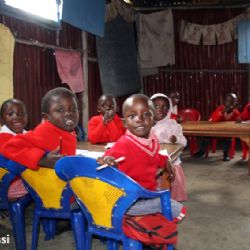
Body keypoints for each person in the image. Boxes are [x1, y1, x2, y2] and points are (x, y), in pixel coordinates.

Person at [97, 94, 186, 221]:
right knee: (170, 205)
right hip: (127, 200)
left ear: (154, 119)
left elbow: (153, 156)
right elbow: (106, 159)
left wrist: (166, 161)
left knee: (163, 199)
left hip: (144, 193)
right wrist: (107, 161)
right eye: (132, 116)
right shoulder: (124, 144)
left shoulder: (152, 140)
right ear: (125, 123)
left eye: (146, 114)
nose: (139, 119)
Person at [1, 87, 79, 169]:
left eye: (73, 109)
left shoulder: (68, 131)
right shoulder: (44, 131)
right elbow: (9, 147)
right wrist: (42, 159)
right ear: (46, 117)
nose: (68, 113)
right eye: (60, 110)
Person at [151, 93, 188, 202]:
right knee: (154, 188)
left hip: (171, 162)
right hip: (152, 162)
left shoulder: (172, 124)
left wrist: (176, 139)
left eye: (165, 107)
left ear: (169, 109)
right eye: (156, 106)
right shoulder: (145, 123)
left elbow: (184, 141)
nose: (160, 109)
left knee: (172, 187)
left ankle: (171, 203)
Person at [0, 99, 29, 229]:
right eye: (10, 114)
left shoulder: (25, 134)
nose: (17, 117)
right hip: (8, 186)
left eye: (21, 113)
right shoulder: (4, 137)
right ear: (2, 119)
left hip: (17, 179)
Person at [194, 93, 240, 161]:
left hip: (226, 133)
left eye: (231, 101)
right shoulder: (220, 108)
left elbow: (238, 122)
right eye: (227, 100)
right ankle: (202, 151)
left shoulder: (235, 112)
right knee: (206, 135)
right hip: (215, 131)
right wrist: (222, 112)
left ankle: (226, 154)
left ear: (234, 103)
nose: (228, 102)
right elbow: (212, 119)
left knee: (228, 137)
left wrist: (239, 119)